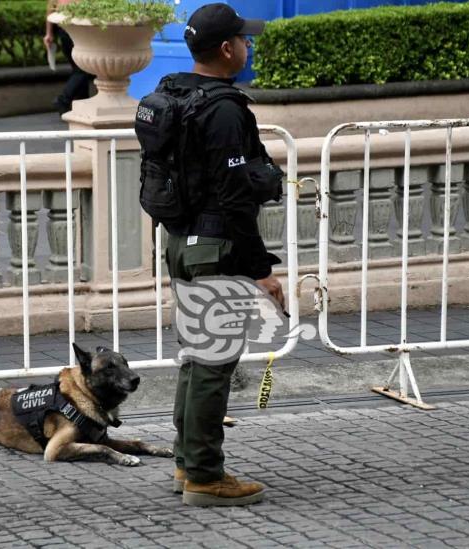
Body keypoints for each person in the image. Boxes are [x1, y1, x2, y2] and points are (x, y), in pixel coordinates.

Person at [162, 3, 286, 506]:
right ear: (226, 49)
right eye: (243, 39)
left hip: (181, 242)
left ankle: (185, 462)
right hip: (216, 247)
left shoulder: (172, 93)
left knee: (197, 358)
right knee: (214, 363)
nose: (248, 46)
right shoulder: (225, 109)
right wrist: (260, 271)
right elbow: (235, 198)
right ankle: (206, 478)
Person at [44, 0, 92, 115]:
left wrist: (49, 33)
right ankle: (63, 99)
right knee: (83, 68)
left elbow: (51, 7)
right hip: (76, 29)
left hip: (65, 29)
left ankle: (82, 105)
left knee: (79, 68)